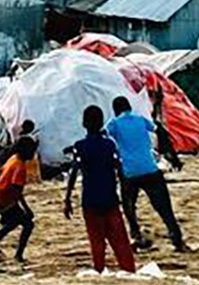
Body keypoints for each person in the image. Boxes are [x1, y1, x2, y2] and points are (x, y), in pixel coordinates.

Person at [106, 97, 191, 253]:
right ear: (129, 107)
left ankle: (136, 235)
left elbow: (103, 135)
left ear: (116, 110)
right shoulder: (141, 120)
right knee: (164, 207)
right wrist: (172, 157)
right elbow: (160, 131)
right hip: (149, 168)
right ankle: (177, 238)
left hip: (129, 171)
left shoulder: (114, 124)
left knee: (129, 206)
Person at [64, 106, 137, 274]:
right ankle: (128, 270)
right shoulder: (109, 145)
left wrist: (67, 199)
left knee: (96, 241)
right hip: (110, 197)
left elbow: (74, 172)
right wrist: (126, 198)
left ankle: (99, 270)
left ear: (84, 123)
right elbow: (120, 171)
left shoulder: (80, 146)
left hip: (90, 199)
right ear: (102, 122)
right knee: (120, 241)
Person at [0, 134, 39, 261]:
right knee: (27, 224)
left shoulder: (13, 159)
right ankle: (18, 255)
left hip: (0, 195)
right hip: (5, 199)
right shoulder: (19, 167)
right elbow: (17, 191)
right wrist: (27, 209)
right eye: (32, 151)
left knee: (12, 223)